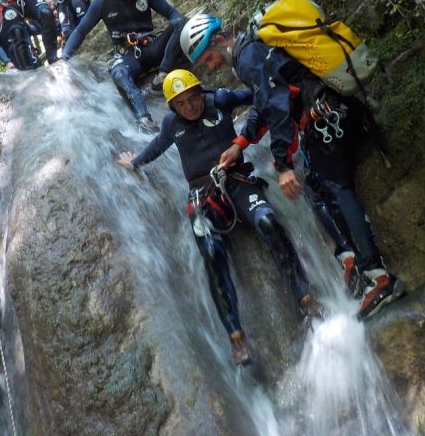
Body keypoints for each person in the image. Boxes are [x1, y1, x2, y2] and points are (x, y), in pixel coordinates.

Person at [180, 13, 403, 319]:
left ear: (219, 40)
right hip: (329, 112)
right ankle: (350, 260)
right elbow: (262, 105)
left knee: (338, 190)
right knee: (319, 186)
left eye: (208, 58)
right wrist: (240, 144)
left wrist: (283, 166)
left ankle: (378, 278)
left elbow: (275, 106)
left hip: (326, 116)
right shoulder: (252, 49)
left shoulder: (247, 56)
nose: (211, 66)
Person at [117, 69, 321, 366]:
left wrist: (286, 92)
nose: (191, 107)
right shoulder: (171, 123)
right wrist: (134, 162)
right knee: (211, 253)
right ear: (172, 106)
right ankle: (236, 338)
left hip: (237, 180)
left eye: (194, 98)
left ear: (202, 92)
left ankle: (305, 297)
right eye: (182, 103)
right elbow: (158, 146)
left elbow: (257, 97)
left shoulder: (221, 100)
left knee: (268, 222)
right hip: (203, 193)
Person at [58, 0, 185, 132]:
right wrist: (64, 58)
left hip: (152, 46)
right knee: (118, 73)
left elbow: (173, 14)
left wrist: (178, 25)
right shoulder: (102, 2)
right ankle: (144, 119)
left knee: (182, 24)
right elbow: (80, 31)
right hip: (129, 55)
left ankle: (162, 77)